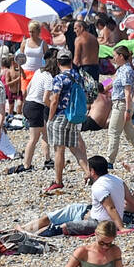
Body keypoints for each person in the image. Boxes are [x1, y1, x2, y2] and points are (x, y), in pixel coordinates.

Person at [45, 49, 90, 191]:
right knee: (74, 147)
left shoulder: (59, 78)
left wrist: (50, 118)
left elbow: (54, 100)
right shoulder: (78, 76)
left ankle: (58, 180)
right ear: (71, 61)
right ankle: (89, 173)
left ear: (58, 62)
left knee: (59, 149)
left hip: (61, 115)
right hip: (74, 116)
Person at [105, 46, 134, 166]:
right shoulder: (120, 69)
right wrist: (103, 87)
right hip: (120, 103)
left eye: (115, 55)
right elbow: (112, 81)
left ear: (121, 56)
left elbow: (127, 92)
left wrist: (128, 110)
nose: (113, 58)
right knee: (130, 133)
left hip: (122, 104)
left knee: (113, 132)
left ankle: (109, 161)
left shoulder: (126, 70)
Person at [58, 220, 123, 267]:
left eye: (109, 244)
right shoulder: (82, 252)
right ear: (96, 234)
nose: (105, 247)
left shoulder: (115, 251)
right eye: (101, 243)